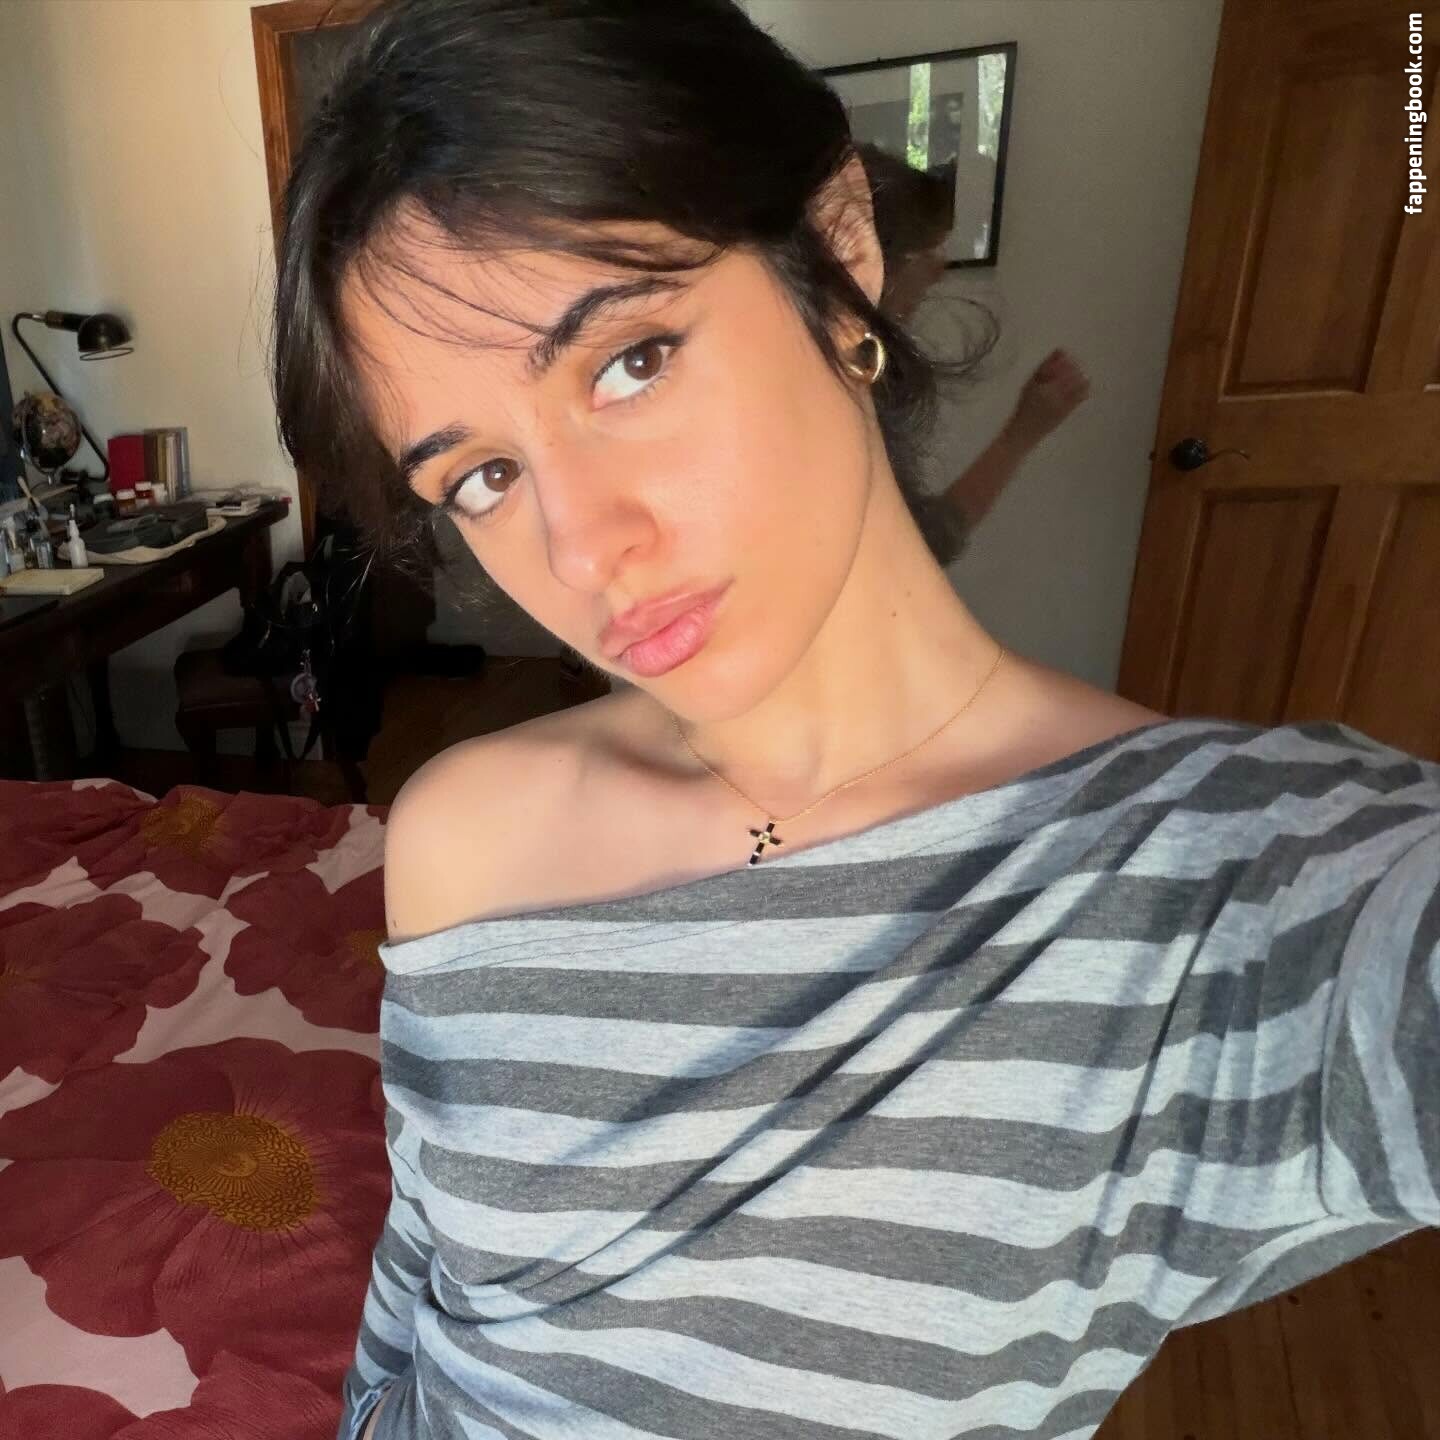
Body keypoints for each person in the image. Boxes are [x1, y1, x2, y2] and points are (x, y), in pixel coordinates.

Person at [268, 3, 1440, 1438]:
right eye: (483, 479)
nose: (581, 548)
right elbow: (421, 1296)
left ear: (835, 250)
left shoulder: (1213, 892)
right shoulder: (462, 828)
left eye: (628, 361)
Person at [858, 140, 1092, 550]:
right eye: (928, 251)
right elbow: (925, 542)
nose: (939, 269)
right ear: (871, 263)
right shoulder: (849, 393)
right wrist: (1022, 433)